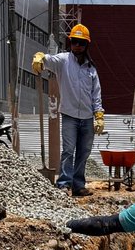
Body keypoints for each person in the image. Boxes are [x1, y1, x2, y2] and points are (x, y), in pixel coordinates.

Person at [32, 24, 104, 198]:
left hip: (87, 117)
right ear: (70, 43)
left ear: (86, 45)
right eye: (74, 42)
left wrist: (99, 114)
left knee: (84, 152)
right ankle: (64, 183)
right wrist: (40, 57)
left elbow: (96, 94)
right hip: (70, 115)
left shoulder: (91, 69)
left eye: (81, 42)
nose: (77, 46)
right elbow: (48, 60)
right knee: (68, 150)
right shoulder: (63, 61)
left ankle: (78, 185)